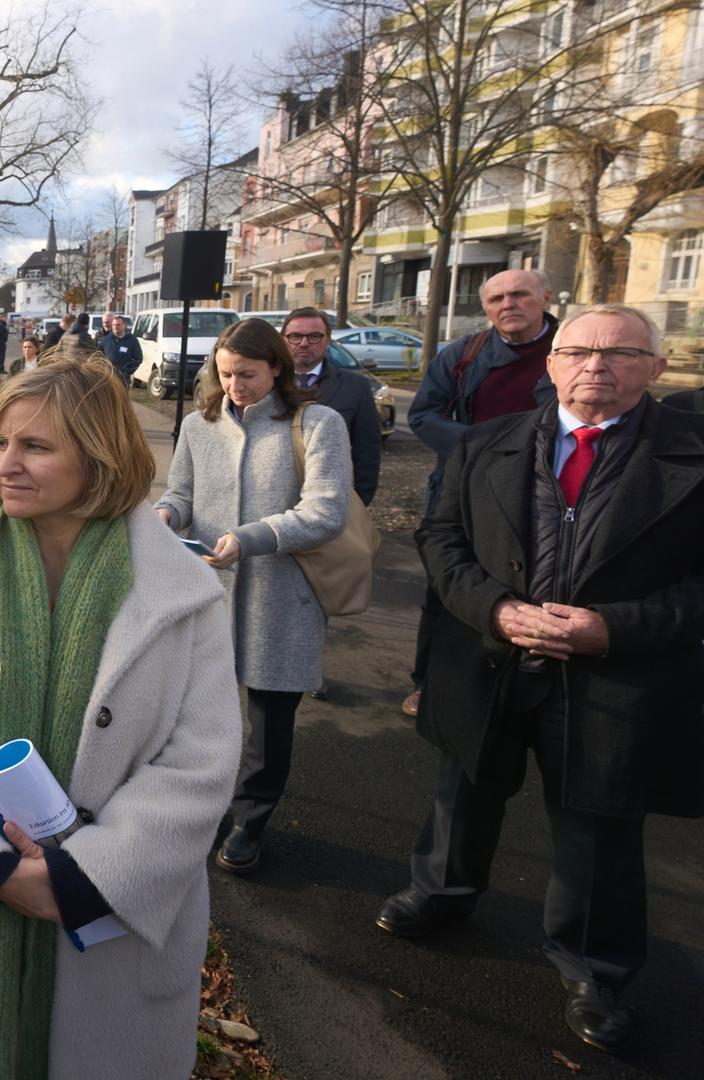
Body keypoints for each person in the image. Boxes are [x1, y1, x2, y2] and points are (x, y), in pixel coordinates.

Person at [0, 358, 240, 1080]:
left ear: (98, 458)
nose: (5, 464)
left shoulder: (183, 597)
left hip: (108, 935)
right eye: (0, 442)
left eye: (34, 447)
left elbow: (202, 761)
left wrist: (79, 876)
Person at [374, 305, 704, 1053]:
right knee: (465, 786)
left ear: (656, 368)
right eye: (580, 350)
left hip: (613, 677)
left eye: (621, 352)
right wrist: (494, 610)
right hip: (493, 657)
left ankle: (596, 968)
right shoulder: (487, 442)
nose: (597, 366)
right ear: (551, 363)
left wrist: (610, 629)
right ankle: (440, 893)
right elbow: (442, 538)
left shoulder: (692, 454)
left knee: (599, 826)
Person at [156, 318, 352, 874]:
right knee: (199, 713)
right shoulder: (200, 424)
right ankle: (202, 805)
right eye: (225, 374)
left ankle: (251, 822)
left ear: (277, 368)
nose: (234, 385)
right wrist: (167, 514)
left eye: (246, 374)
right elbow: (180, 492)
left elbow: (326, 511)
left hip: (281, 596)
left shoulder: (317, 423)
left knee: (269, 723)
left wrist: (248, 540)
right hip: (208, 591)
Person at [401, 269, 558, 716]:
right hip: (466, 490)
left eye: (519, 295)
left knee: (540, 586)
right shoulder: (462, 355)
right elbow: (425, 415)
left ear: (544, 297)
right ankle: (428, 682)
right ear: (486, 308)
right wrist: (485, 452)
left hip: (548, 491)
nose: (508, 305)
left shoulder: (572, 351)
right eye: (496, 299)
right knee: (447, 584)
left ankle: (530, 688)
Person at [284, 307, 381, 505]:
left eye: (314, 336)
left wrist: (357, 504)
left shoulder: (356, 387)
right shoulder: (265, 383)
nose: (304, 343)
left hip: (330, 503)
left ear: (327, 340)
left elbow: (367, 453)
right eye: (295, 336)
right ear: (283, 340)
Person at [99, 314, 143, 387]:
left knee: (121, 398)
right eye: (114, 325)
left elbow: (138, 358)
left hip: (123, 379)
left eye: (118, 325)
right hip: (107, 378)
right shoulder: (106, 340)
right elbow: (98, 355)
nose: (115, 327)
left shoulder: (132, 340)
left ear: (124, 325)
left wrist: (128, 371)